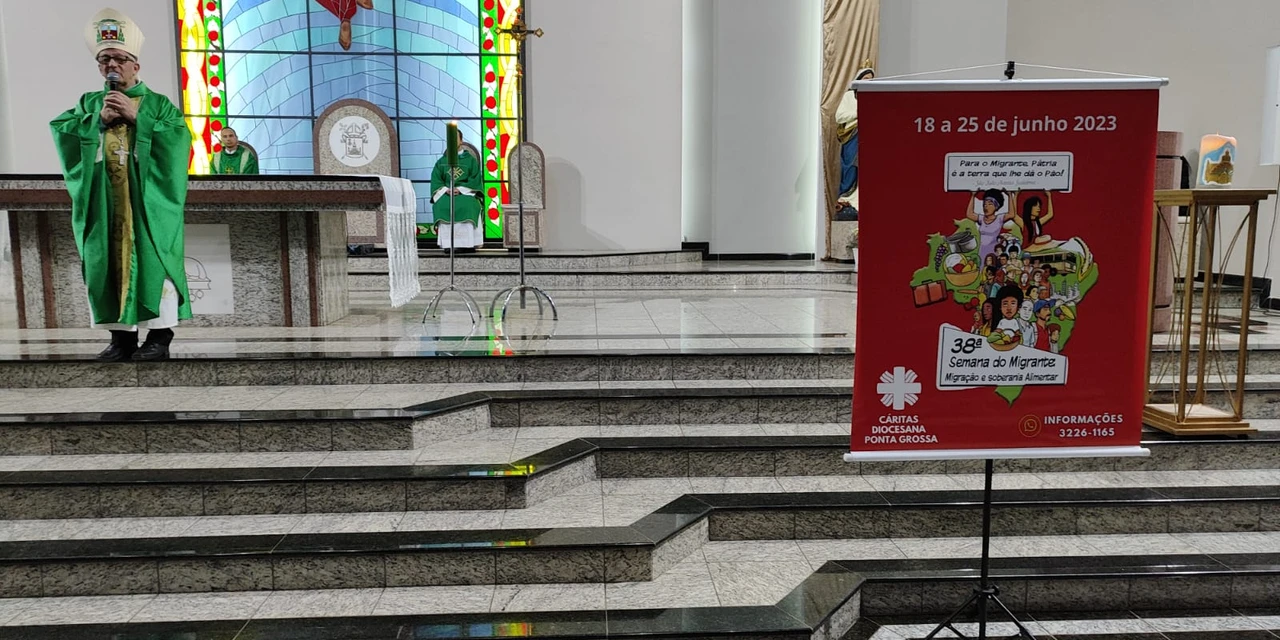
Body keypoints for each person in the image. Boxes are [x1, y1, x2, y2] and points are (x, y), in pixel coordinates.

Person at [51, 8, 192, 362]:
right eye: (105, 60)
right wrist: (95, 124)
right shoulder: (89, 104)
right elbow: (64, 132)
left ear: (135, 65)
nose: (112, 65)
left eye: (119, 58)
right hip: (107, 204)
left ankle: (159, 336)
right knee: (106, 261)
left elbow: (178, 143)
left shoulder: (158, 105)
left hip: (147, 205)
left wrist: (137, 118)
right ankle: (121, 338)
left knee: (154, 260)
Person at [430, 127, 485, 251]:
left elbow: (475, 179)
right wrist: (445, 190)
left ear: (461, 141)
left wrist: (460, 189)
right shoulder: (441, 162)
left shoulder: (470, 161)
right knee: (442, 204)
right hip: (446, 193)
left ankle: (468, 243)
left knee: (468, 204)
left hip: (466, 192)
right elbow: (436, 180)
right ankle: (448, 244)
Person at [966, 189, 1016, 264]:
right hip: (982, 251)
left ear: (996, 207)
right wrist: (973, 195)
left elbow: (1011, 214)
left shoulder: (999, 219)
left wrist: (1009, 195)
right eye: (984, 205)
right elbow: (969, 214)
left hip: (993, 251)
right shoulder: (981, 219)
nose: (986, 207)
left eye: (990, 204)